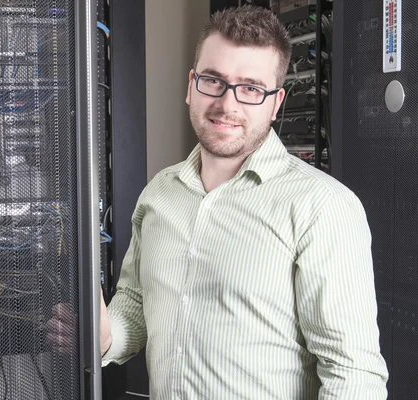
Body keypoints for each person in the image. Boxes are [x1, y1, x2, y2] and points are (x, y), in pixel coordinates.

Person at [48, 5, 388, 399]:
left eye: (251, 88)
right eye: (214, 80)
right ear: (192, 85)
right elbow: (138, 306)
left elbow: (353, 376)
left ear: (276, 103)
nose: (228, 105)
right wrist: (105, 337)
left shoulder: (323, 207)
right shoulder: (159, 194)